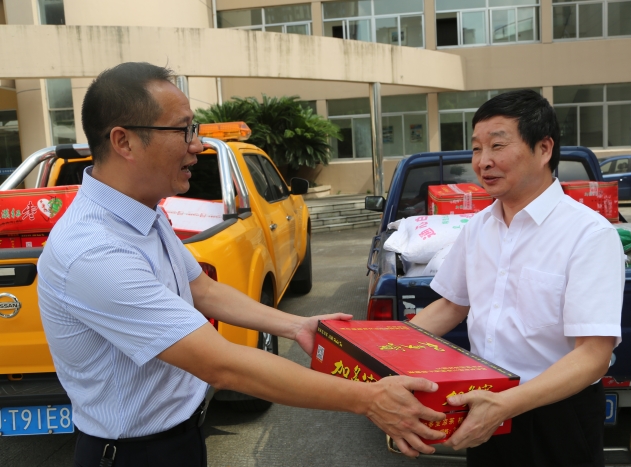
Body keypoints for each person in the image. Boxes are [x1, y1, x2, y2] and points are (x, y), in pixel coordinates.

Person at [37, 62, 446, 467]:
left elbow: (202, 289)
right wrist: (369, 399)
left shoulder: (144, 213)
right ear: (124, 142)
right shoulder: (94, 251)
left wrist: (295, 326)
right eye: (183, 130)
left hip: (180, 438)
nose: (197, 144)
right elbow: (222, 365)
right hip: (131, 455)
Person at [410, 89, 625, 467]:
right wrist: (381, 348)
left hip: (556, 414)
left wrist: (506, 404)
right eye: (477, 149)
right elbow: (451, 305)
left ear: (543, 149)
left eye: (497, 145)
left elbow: (593, 354)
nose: (483, 161)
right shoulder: (478, 227)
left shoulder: (588, 234)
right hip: (484, 403)